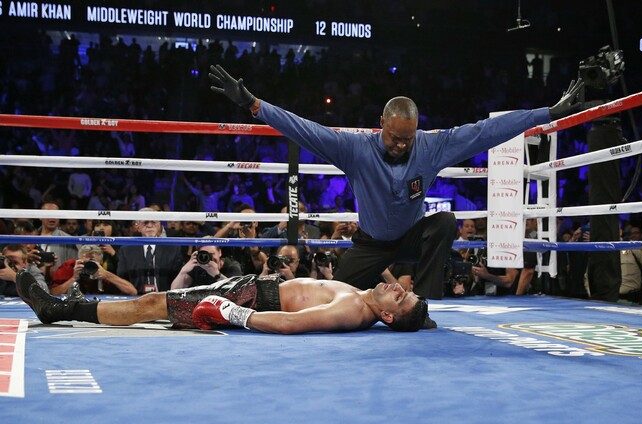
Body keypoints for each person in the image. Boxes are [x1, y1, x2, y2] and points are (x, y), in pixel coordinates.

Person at [208, 65, 583, 299]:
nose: (402, 144)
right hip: (371, 244)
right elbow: (306, 129)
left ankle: (424, 303)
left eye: (408, 138)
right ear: (381, 124)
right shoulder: (354, 149)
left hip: (412, 240)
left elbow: (485, 131)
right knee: (333, 296)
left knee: (445, 221)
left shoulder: (431, 147)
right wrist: (255, 105)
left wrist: (546, 113)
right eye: (394, 137)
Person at [16, 268, 434, 334]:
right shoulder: (364, 297)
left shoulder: (353, 309)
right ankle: (78, 304)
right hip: (255, 288)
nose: (398, 287)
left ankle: (61, 309)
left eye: (401, 298)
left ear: (386, 315)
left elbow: (292, 324)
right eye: (405, 288)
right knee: (159, 302)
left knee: (155, 303)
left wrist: (234, 313)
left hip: (251, 297)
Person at [116, 209, 183, 294]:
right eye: (146, 222)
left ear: (159, 225)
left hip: (163, 297)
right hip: (136, 298)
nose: (150, 225)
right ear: (138, 227)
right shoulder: (126, 250)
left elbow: (178, 278)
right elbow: (122, 278)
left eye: (153, 222)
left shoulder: (172, 249)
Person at [50, 245, 137, 296]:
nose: (88, 266)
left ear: (101, 263)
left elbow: (132, 291)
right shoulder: (70, 267)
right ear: (78, 260)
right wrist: (73, 278)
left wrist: (107, 275)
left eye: (92, 263)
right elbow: (54, 293)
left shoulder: (103, 272)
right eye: (84, 263)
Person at [170, 245, 241, 290]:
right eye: (205, 255)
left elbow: (237, 291)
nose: (209, 258)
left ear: (219, 252)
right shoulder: (197, 265)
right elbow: (174, 290)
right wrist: (183, 271)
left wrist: (217, 274)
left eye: (211, 254)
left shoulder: (231, 265)